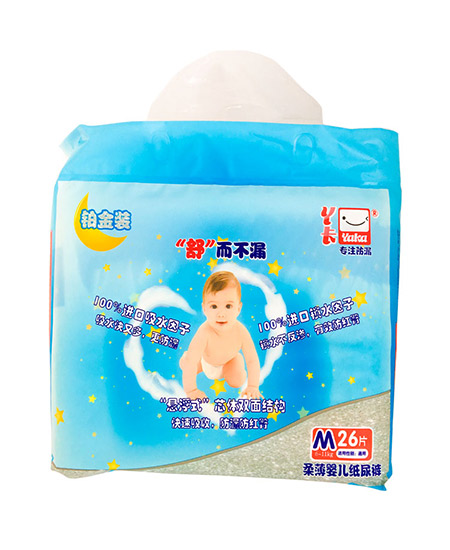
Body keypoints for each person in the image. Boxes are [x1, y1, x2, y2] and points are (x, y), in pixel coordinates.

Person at [180, 271, 262, 400]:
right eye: (214, 306)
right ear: (204, 309)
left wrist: (253, 386)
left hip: (229, 362)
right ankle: (193, 360)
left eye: (228, 306)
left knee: (237, 381)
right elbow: (191, 361)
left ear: (238, 308)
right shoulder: (204, 332)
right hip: (206, 363)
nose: (221, 314)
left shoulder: (241, 331)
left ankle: (236, 362)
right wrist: (191, 391)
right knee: (187, 363)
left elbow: (252, 359)